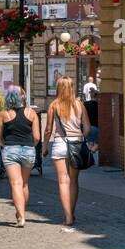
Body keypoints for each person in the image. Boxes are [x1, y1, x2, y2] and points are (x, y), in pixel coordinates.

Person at [43, 76, 92, 231]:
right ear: (72, 87)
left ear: (58, 88)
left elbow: (48, 129)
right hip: (76, 144)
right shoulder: (79, 105)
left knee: (63, 181)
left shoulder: (54, 105)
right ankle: (72, 211)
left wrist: (44, 146)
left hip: (60, 143)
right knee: (73, 181)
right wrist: (81, 135)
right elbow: (88, 128)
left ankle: (68, 216)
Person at [0, 85, 40, 227]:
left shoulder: (4, 114)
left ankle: (21, 217)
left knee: (15, 183)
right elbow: (37, 137)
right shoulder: (31, 113)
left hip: (10, 149)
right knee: (24, 184)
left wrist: (3, 144)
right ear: (23, 97)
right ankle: (22, 212)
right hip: (28, 150)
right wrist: (30, 144)